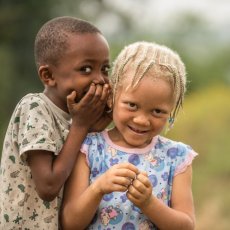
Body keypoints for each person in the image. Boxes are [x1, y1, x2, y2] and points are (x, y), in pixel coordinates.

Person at [61, 41, 198, 230]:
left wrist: (149, 203)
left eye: (157, 111)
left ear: (171, 111)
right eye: (132, 105)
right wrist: (98, 188)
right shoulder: (89, 148)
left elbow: (187, 226)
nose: (142, 120)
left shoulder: (176, 157)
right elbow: (70, 223)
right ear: (112, 97)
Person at [0, 16, 111, 229]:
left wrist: (93, 128)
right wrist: (81, 125)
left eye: (105, 69)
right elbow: (48, 186)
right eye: (86, 69)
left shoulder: (77, 118)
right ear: (49, 75)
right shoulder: (33, 108)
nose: (100, 79)